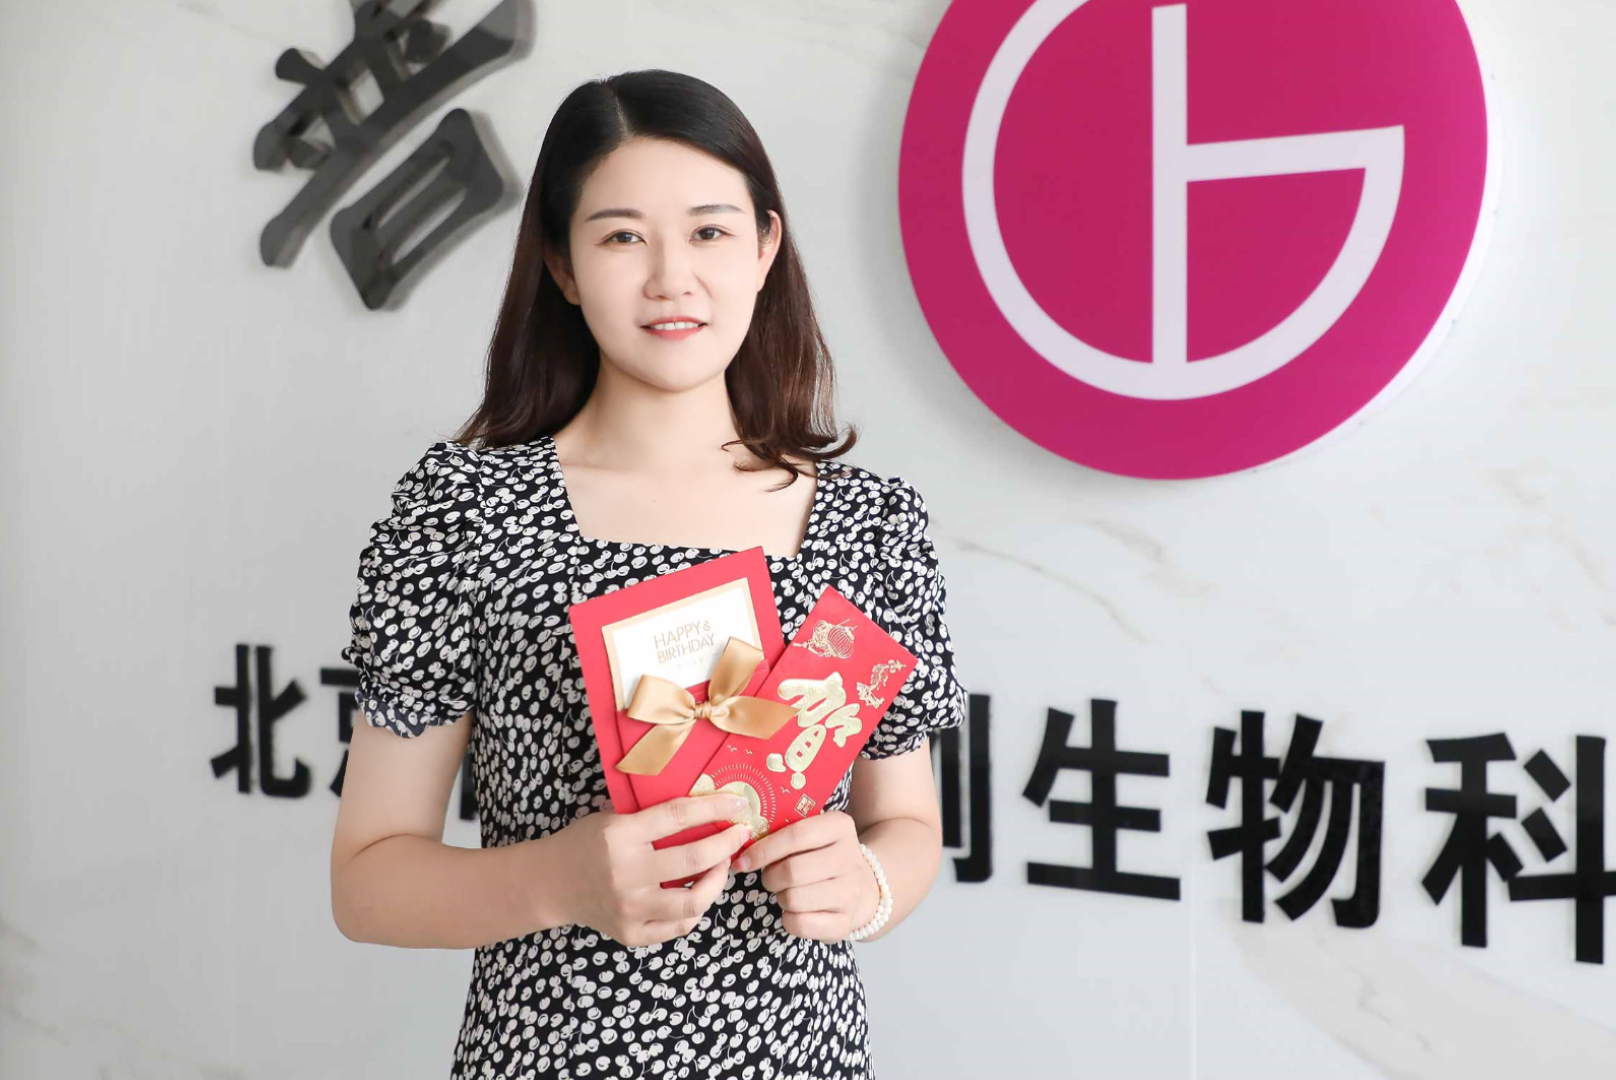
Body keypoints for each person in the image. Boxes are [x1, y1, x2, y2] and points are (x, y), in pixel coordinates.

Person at [329, 68, 968, 1080]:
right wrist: (561, 880)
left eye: (709, 231)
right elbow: (367, 883)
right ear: (563, 263)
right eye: (623, 236)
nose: (672, 277)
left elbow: (909, 825)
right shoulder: (464, 512)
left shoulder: (869, 524)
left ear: (764, 248)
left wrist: (868, 887)